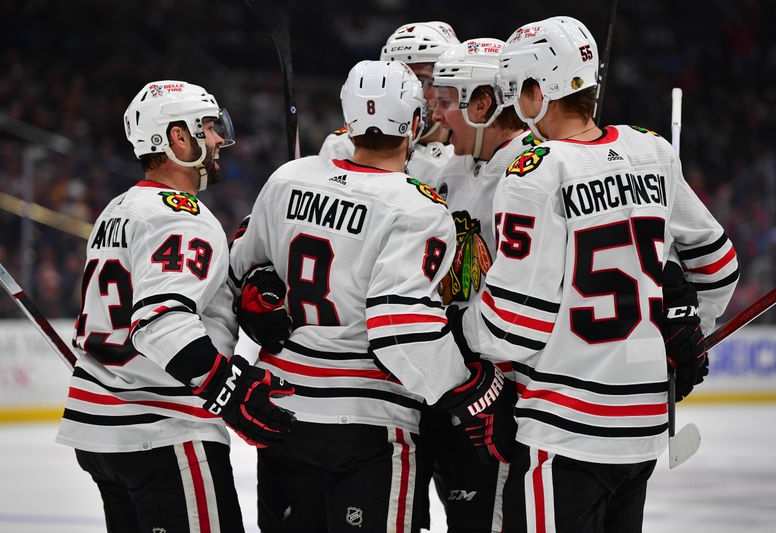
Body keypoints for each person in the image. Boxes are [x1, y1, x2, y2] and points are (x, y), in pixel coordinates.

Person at [454, 17, 739, 531]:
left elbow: (514, 327)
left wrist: (459, 328)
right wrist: (687, 321)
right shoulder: (651, 150)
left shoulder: (535, 172)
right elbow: (717, 264)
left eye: (518, 88)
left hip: (564, 430)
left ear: (538, 91)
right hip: (642, 428)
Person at [230, 60, 515, 533]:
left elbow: (240, 273)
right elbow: (399, 329)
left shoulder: (288, 179)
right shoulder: (418, 206)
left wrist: (255, 295)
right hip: (369, 424)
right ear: (414, 122)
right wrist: (470, 387)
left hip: (281, 411)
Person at [56, 80, 296, 533]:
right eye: (208, 127)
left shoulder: (118, 209)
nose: (220, 138)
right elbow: (160, 320)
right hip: (164, 430)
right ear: (177, 138)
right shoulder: (180, 215)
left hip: (103, 432)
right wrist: (231, 391)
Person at [419, 37, 532, 532]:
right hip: (457, 383)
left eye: (447, 101)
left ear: (483, 103)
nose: (438, 116)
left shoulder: (536, 171)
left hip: (512, 389)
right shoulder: (450, 170)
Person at [319, 21, 460, 190]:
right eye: (400, 83)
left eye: (421, 81)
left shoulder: (467, 156)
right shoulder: (343, 146)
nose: (411, 94)